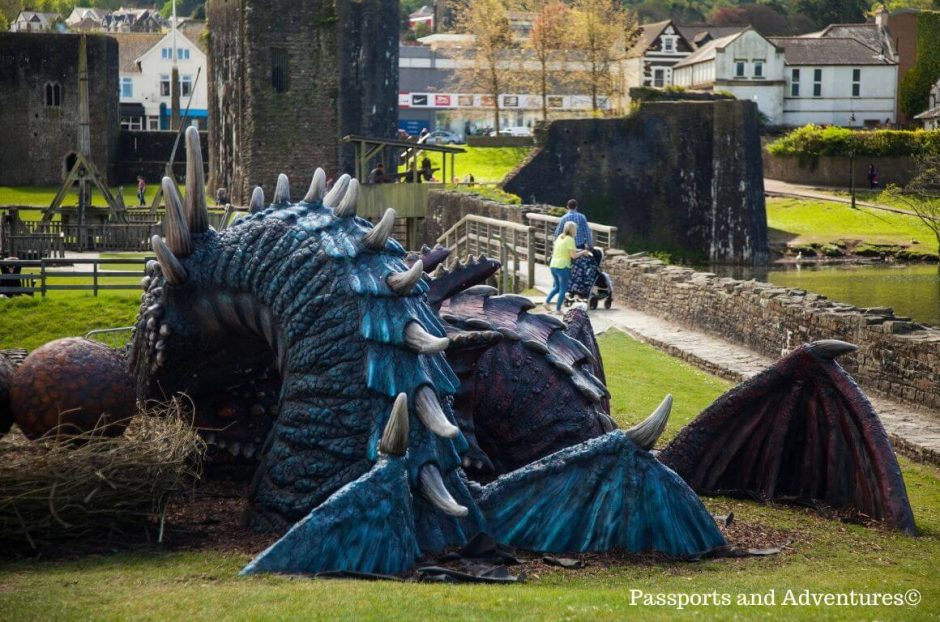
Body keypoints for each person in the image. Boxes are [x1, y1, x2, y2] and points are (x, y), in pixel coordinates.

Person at [545, 221, 591, 314]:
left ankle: (546, 302)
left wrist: (579, 250)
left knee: (557, 287)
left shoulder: (560, 237)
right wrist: (583, 252)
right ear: (572, 230)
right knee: (563, 289)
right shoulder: (570, 239)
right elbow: (573, 256)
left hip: (553, 265)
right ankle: (558, 309)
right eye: (575, 230)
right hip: (563, 266)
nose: (576, 232)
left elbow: (567, 249)